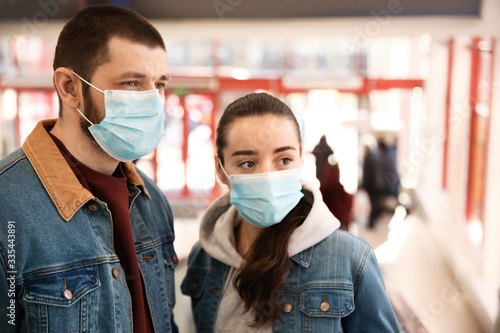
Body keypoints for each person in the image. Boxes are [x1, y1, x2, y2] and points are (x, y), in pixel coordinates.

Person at [0, 5, 177, 333]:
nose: (153, 101)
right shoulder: (6, 208)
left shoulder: (152, 200)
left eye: (159, 85)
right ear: (69, 87)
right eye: (132, 83)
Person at [181, 93, 400, 332]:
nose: (267, 176)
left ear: (300, 160)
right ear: (221, 170)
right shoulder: (204, 256)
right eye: (247, 163)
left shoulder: (352, 259)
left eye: (284, 160)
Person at [361, 136, 401, 228]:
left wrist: (364, 185)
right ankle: (374, 219)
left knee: (374, 203)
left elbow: (368, 174)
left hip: (375, 185)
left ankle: (372, 222)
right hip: (379, 184)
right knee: (375, 203)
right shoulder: (380, 157)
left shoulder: (373, 158)